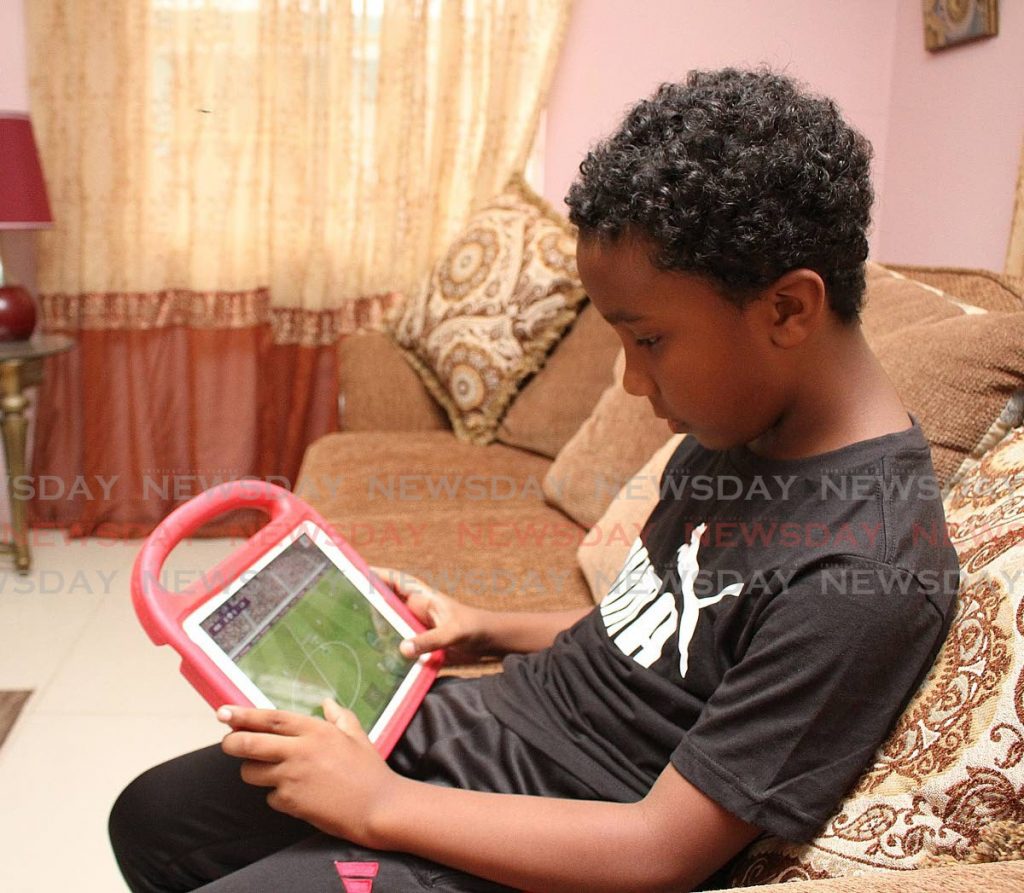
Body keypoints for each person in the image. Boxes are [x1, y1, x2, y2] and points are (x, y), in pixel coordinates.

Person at [109, 68, 959, 893]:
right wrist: (487, 626)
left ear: (787, 310)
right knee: (151, 817)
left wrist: (380, 804)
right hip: (498, 727)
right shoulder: (746, 423)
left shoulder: (866, 570)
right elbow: (654, 624)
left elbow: (662, 850)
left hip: (561, 828)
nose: (631, 380)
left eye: (649, 340)